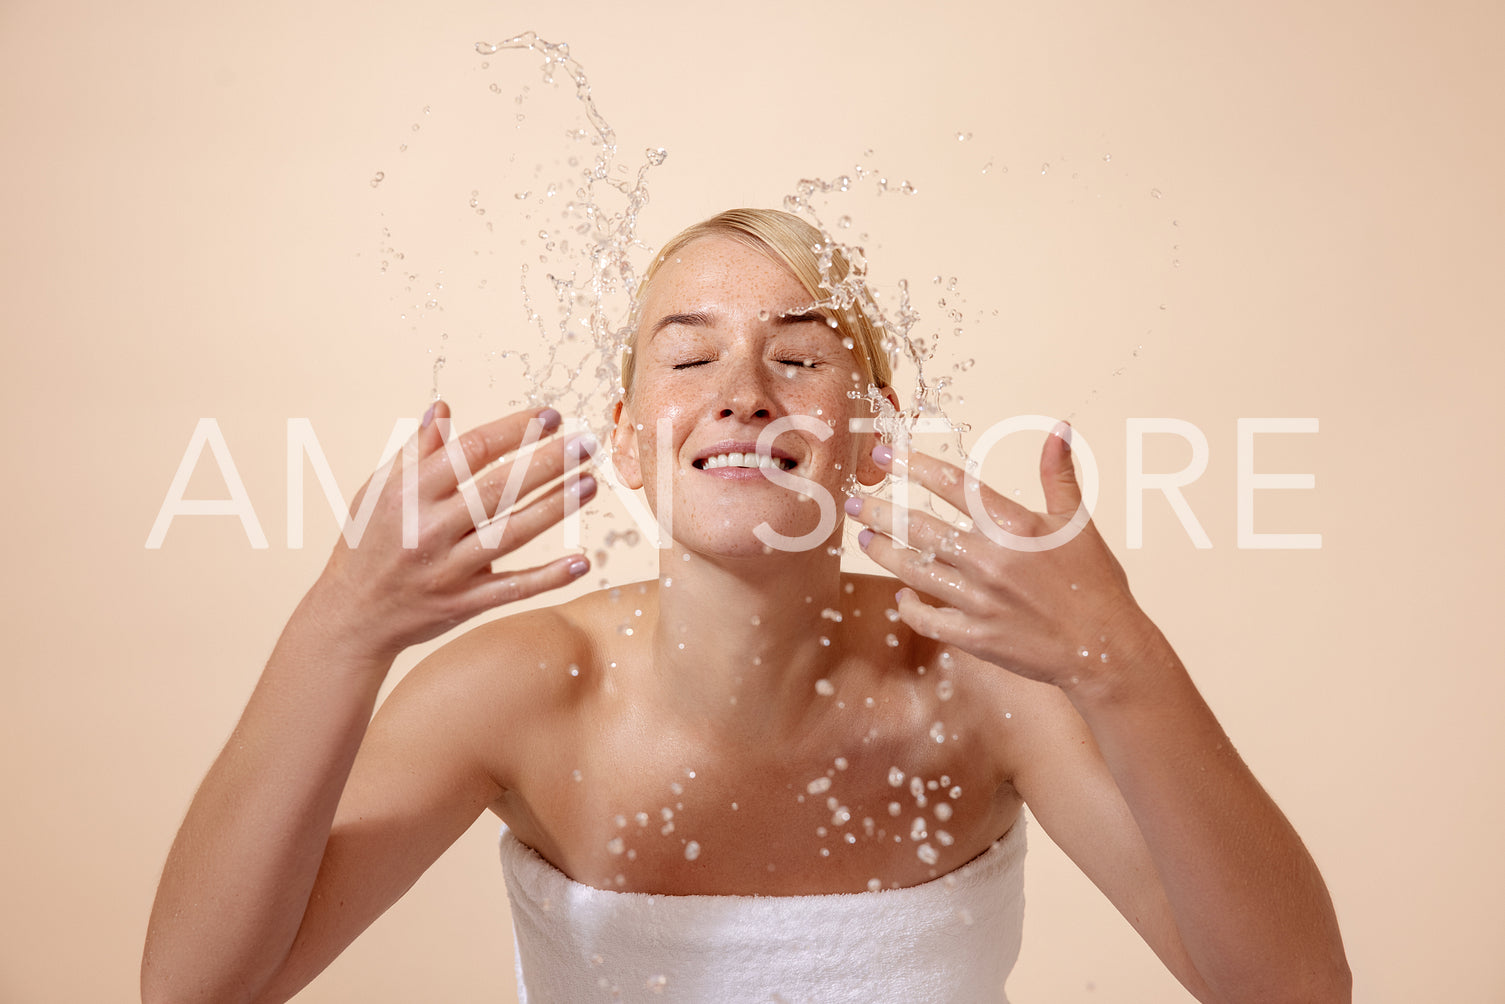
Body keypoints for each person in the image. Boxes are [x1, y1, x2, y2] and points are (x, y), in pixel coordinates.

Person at [142, 209, 1351, 1003]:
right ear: (624, 438)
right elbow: (195, 988)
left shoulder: (988, 682)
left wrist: (1119, 658)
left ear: (868, 430)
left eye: (798, 355)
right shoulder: (517, 688)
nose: (740, 393)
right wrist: (338, 626)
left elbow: (1292, 988)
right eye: (685, 356)